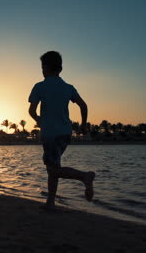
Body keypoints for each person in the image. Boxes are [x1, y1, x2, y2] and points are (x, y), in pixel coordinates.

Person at [28, 51, 95, 209]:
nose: (42, 70)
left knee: (53, 169)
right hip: (65, 133)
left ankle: (85, 176)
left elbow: (31, 111)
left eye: (42, 67)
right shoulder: (68, 87)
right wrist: (83, 124)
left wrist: (40, 121)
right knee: (53, 167)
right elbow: (83, 105)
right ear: (60, 68)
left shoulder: (40, 87)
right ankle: (50, 202)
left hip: (50, 134)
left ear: (45, 67)